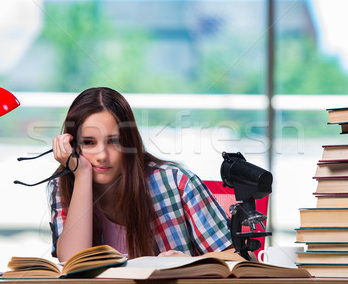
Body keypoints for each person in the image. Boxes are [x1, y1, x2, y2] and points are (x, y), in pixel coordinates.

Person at [48, 87, 232, 262]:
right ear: (72, 146)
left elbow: (243, 258)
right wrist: (82, 176)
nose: (102, 156)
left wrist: (188, 263)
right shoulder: (64, 185)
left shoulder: (176, 182)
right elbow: (73, 262)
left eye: (115, 142)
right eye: (88, 142)